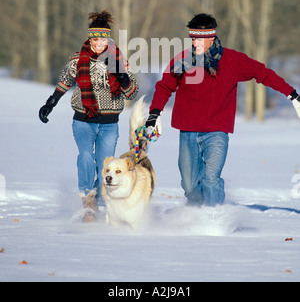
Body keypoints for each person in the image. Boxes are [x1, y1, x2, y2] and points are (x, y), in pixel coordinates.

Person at [146, 13, 300, 207]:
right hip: (188, 130)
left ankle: (214, 217)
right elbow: (164, 87)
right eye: (193, 39)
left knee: (211, 178)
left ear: (212, 37)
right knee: (190, 184)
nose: (196, 44)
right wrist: (155, 113)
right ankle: (194, 213)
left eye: (200, 39)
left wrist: (292, 95)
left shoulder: (233, 60)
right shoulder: (182, 60)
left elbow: (264, 74)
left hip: (217, 130)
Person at [39, 11, 138, 220]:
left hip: (110, 123)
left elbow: (132, 92)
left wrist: (123, 78)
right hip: (83, 120)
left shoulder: (119, 61)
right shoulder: (78, 60)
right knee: (85, 156)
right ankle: (88, 198)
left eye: (102, 38)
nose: (98, 43)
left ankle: (101, 200)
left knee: (105, 164)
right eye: (94, 38)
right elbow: (64, 83)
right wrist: (50, 104)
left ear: (108, 39)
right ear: (89, 38)